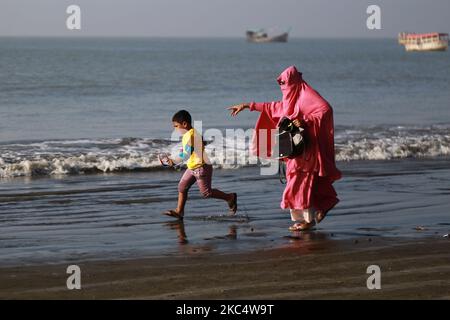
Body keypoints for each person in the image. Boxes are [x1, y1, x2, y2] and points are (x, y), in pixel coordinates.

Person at [228, 66, 341, 231]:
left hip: (307, 150)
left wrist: (305, 120)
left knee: (299, 183)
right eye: (282, 85)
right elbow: (272, 107)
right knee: (299, 181)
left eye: (286, 84)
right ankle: (324, 205)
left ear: (293, 82)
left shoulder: (307, 95)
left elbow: (325, 110)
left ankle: (307, 220)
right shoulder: (291, 99)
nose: (284, 89)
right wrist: (247, 105)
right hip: (295, 150)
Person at [162, 110, 237, 219]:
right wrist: (174, 157)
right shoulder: (190, 133)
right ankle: (179, 211)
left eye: (176, 126)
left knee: (206, 192)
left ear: (184, 124)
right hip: (192, 167)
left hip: (202, 167)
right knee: (182, 187)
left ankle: (230, 197)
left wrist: (173, 161)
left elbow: (186, 154)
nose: (175, 129)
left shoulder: (191, 135)